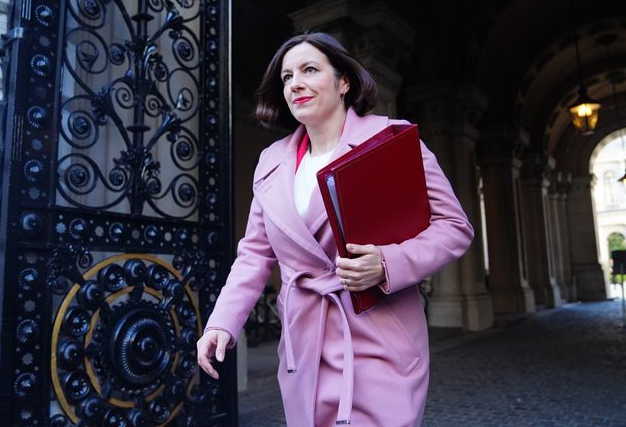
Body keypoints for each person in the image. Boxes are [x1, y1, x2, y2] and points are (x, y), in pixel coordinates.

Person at [196, 31, 473, 426]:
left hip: (379, 334)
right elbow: (255, 254)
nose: (296, 83)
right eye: (287, 77)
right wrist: (222, 322)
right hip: (303, 343)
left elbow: (454, 227)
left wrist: (388, 263)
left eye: (309, 69)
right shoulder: (271, 162)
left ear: (344, 82)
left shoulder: (390, 140)